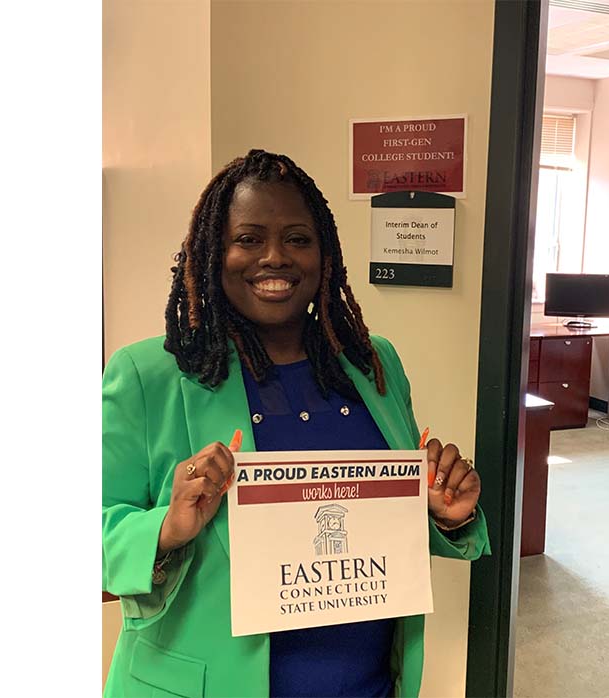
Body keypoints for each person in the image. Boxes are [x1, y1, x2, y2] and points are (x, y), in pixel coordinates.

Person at [102, 149, 490, 698]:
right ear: (213, 251)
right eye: (249, 239)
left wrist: (444, 515)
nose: (276, 257)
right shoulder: (149, 376)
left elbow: (373, 523)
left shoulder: (371, 362)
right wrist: (167, 528)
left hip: (368, 686)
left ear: (325, 252)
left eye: (298, 239)